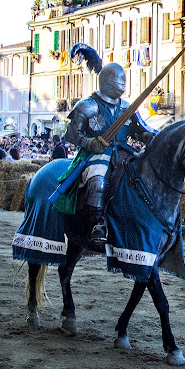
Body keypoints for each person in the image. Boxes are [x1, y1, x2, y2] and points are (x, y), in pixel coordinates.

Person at [64, 61, 156, 244]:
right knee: (98, 181)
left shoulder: (126, 108)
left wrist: (148, 136)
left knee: (145, 175)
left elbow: (139, 129)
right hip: (98, 153)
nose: (120, 87)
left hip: (124, 151)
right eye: (117, 82)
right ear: (106, 82)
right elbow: (72, 135)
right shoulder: (87, 105)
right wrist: (90, 142)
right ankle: (97, 223)